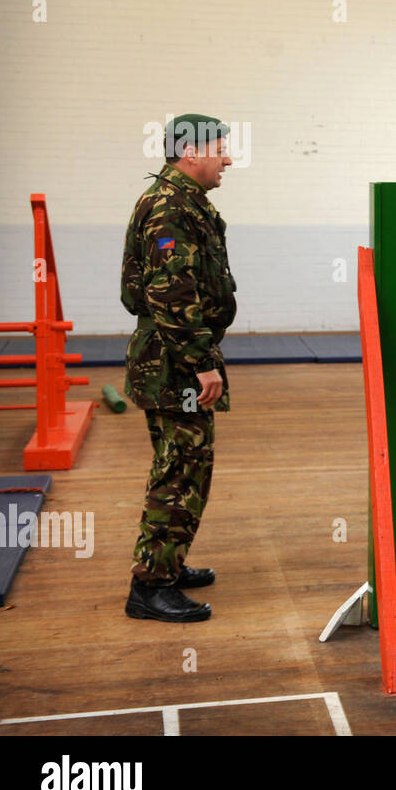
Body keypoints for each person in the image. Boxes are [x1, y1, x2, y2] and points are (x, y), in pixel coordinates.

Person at [120, 114, 237, 622]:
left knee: (182, 464)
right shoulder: (170, 208)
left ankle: (167, 562)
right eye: (221, 149)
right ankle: (150, 588)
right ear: (191, 153)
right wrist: (202, 362)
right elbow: (170, 293)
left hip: (170, 358)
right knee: (181, 470)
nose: (228, 158)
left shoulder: (180, 202)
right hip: (175, 364)